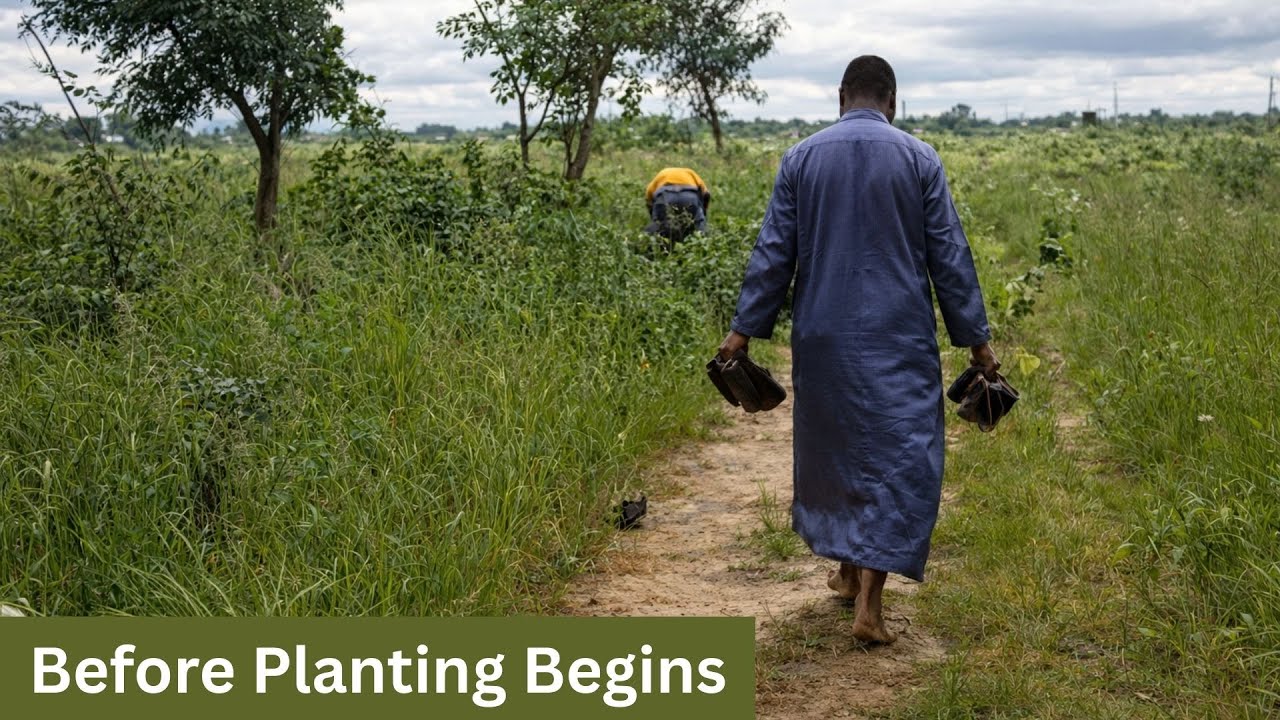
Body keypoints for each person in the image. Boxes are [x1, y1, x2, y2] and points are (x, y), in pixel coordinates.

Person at [717, 55, 1000, 644]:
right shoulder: (920, 159)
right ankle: (867, 601)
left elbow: (774, 254)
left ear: (841, 96)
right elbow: (950, 257)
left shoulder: (801, 158)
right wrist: (977, 343)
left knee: (837, 449)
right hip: (900, 335)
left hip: (824, 336)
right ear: (893, 102)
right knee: (897, 454)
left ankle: (848, 575)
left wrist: (742, 331)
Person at [644, 167, 711, 246]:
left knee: (658, 224)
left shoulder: (662, 173)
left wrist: (656, 216)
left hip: (665, 195)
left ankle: (654, 246)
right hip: (689, 196)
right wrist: (702, 211)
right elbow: (706, 194)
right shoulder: (690, 173)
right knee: (699, 222)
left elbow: (649, 197)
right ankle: (702, 243)